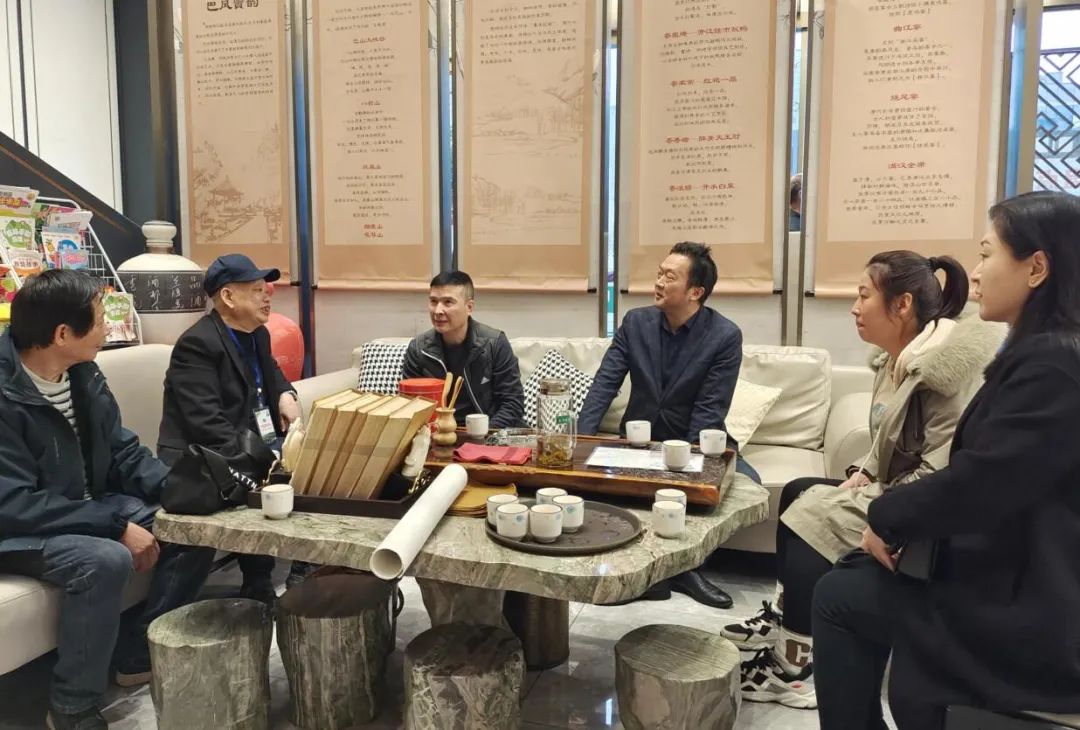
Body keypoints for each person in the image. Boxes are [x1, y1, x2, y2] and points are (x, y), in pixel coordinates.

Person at [812, 191, 1080, 729]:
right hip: (1010, 568)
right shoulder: (1044, 352)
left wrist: (886, 516)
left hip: (1031, 608)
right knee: (850, 576)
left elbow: (980, 483)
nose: (975, 274)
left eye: (986, 254)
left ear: (1036, 268)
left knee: (840, 597)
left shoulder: (1054, 366)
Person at [720, 251, 1003, 709]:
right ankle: (789, 621)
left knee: (808, 519)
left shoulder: (942, 375)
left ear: (902, 305)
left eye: (864, 295)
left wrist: (884, 513)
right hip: (891, 487)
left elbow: (942, 473)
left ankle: (795, 669)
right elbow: (887, 433)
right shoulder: (899, 357)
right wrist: (864, 472)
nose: (855, 308)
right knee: (797, 492)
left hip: (920, 510)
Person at [0, 271, 215, 730]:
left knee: (195, 526)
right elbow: (13, 503)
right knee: (104, 559)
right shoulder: (5, 394)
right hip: (17, 529)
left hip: (83, 508)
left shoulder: (82, 373)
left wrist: (180, 492)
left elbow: (121, 451)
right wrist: (114, 525)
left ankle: (137, 648)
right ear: (63, 334)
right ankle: (72, 706)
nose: (106, 329)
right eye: (99, 320)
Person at [578, 241, 757, 609]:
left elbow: (710, 409)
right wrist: (580, 438)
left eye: (669, 277)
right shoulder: (636, 323)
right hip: (639, 440)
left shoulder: (724, 336)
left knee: (744, 483)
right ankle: (646, 571)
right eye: (659, 273)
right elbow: (605, 383)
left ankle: (686, 568)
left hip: (696, 441)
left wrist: (685, 465)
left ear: (695, 292)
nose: (658, 282)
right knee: (596, 480)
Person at [157, 254, 303, 602]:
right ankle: (161, 618)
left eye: (266, 290)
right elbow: (205, 423)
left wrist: (286, 393)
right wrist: (263, 462)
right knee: (274, 478)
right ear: (228, 296)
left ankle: (277, 581)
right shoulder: (198, 344)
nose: (267, 297)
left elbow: (271, 373)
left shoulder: (257, 335)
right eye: (257, 290)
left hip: (244, 446)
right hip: (200, 462)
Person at [401, 270, 524, 429]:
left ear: (469, 307)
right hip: (438, 433)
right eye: (433, 301)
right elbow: (410, 404)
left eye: (448, 302)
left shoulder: (495, 343)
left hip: (487, 432)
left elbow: (512, 403)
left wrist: (481, 435)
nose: (438, 311)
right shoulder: (418, 349)